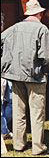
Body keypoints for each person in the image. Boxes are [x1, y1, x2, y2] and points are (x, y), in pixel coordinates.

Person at [1, 0, 49, 155]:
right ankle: (38, 147)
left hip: (16, 75)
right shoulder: (42, 29)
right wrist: (46, 69)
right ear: (39, 13)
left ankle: (19, 144)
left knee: (19, 111)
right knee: (37, 112)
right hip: (35, 75)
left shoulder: (14, 28)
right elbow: (47, 56)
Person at [1, 12, 13, 140]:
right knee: (11, 102)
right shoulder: (5, 39)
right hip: (5, 74)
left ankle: (4, 128)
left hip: (5, 74)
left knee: (10, 102)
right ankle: (3, 130)